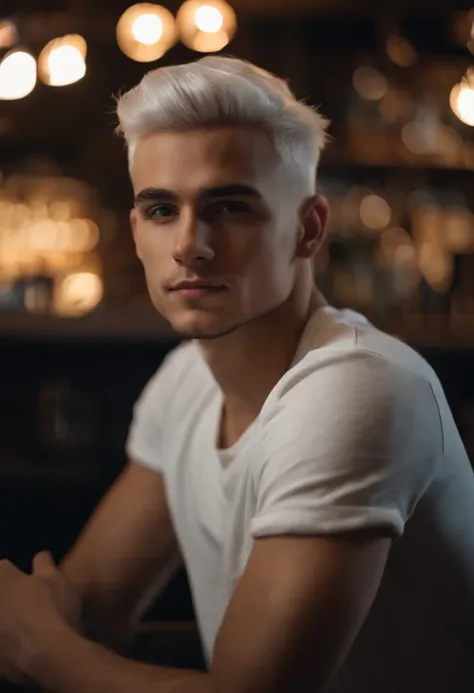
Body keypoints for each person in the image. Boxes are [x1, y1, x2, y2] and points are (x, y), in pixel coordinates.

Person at [0, 56, 473, 693]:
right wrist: (49, 635)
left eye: (228, 208)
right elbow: (93, 607)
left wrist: (42, 650)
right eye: (162, 210)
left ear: (308, 228)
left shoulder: (359, 387)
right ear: (137, 228)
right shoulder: (186, 379)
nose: (190, 245)